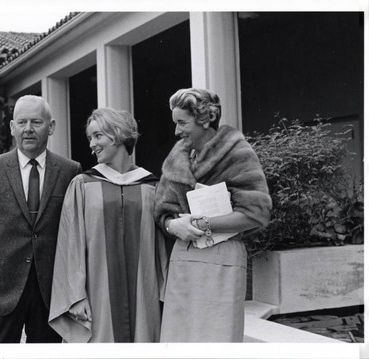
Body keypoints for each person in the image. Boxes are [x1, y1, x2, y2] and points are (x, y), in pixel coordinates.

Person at [0, 95, 82, 343]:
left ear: (51, 126)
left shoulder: (70, 171)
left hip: (50, 291)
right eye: (22, 122)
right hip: (1, 286)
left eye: (36, 122)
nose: (28, 129)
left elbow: (74, 229)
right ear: (12, 127)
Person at [154, 88, 272, 342]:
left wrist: (202, 224)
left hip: (221, 260)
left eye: (182, 123)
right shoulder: (177, 158)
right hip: (183, 260)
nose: (176, 131)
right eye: (175, 123)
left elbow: (256, 214)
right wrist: (174, 225)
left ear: (204, 119)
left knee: (216, 341)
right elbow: (161, 212)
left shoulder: (236, 153)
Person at [48, 108, 167, 343]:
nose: (92, 144)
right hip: (96, 295)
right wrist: (75, 297)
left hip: (145, 295)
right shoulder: (82, 184)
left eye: (98, 136)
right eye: (91, 137)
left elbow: (163, 249)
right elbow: (70, 244)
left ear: (118, 134)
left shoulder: (151, 186)